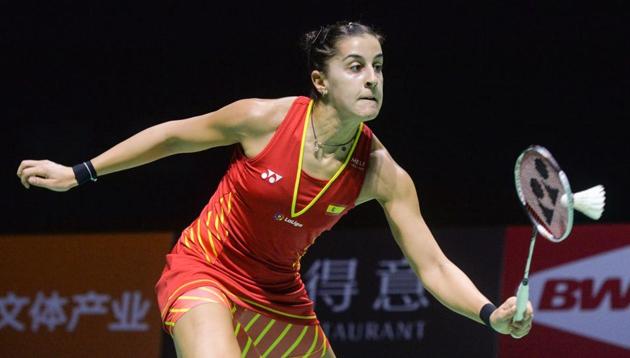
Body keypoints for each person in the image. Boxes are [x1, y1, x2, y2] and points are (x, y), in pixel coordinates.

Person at [17, 21, 533, 357]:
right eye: (355, 67)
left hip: (278, 294)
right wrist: (79, 172)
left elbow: (433, 265)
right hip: (205, 269)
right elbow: (173, 136)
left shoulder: (381, 173)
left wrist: (490, 313)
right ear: (321, 81)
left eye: (378, 67)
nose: (372, 78)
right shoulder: (263, 119)